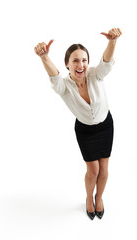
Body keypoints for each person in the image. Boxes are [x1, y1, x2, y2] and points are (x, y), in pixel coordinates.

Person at [34, 28, 122, 220]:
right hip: (85, 131)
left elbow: (106, 63)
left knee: (105, 169)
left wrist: (112, 41)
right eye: (75, 60)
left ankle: (100, 197)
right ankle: (89, 197)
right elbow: (54, 77)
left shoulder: (95, 75)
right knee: (93, 170)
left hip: (106, 126)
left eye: (84, 60)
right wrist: (44, 57)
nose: (80, 64)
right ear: (67, 64)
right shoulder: (64, 87)